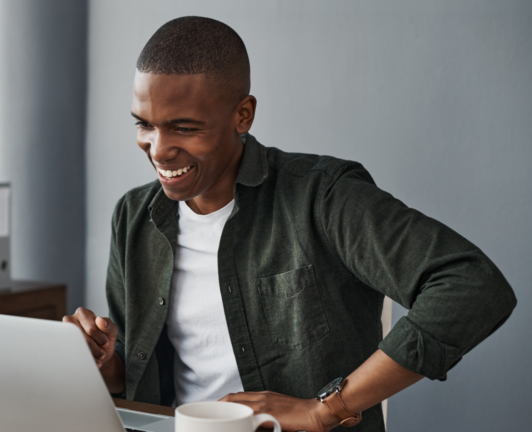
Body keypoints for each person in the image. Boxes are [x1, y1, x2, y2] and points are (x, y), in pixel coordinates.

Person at [63, 16, 516, 432]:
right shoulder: (135, 216)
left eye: (184, 128)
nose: (158, 150)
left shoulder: (323, 196)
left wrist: (325, 409)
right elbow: (138, 364)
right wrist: (104, 364)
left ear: (243, 115)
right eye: (144, 124)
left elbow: (471, 285)